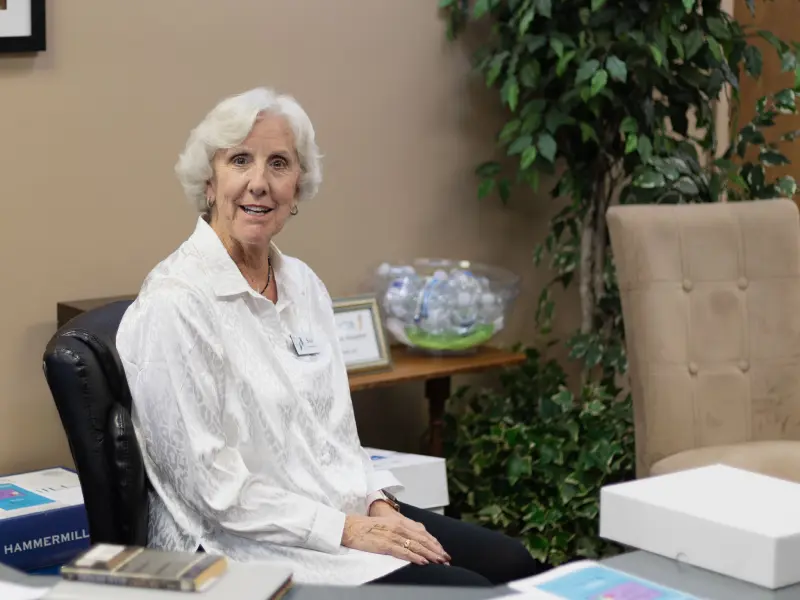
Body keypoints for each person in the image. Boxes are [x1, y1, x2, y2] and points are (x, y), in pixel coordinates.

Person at [116, 87, 547, 587]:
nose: (259, 183)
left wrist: (378, 506)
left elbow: (337, 439)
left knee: (513, 563)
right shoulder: (176, 303)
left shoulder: (303, 285)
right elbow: (212, 491)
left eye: (279, 164)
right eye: (240, 160)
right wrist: (346, 530)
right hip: (240, 549)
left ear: (297, 188)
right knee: (467, 593)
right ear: (210, 182)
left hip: (340, 516)